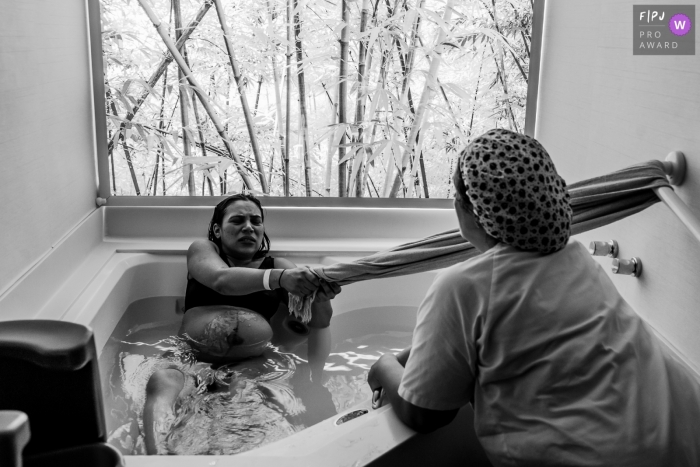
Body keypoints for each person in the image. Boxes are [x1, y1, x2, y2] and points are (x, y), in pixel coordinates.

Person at [368, 129, 700, 466]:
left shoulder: (461, 284)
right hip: (680, 437)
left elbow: (425, 414)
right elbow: (488, 333)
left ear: (464, 208)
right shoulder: (575, 256)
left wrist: (383, 367)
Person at [143, 193, 340, 454]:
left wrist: (320, 297)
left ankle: (225, 454)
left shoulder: (278, 266)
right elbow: (221, 280)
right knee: (163, 380)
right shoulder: (205, 250)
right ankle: (158, 458)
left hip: (254, 363)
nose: (249, 227)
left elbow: (320, 322)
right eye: (237, 220)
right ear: (217, 229)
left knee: (239, 395)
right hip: (190, 355)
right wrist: (280, 278)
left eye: (256, 221)